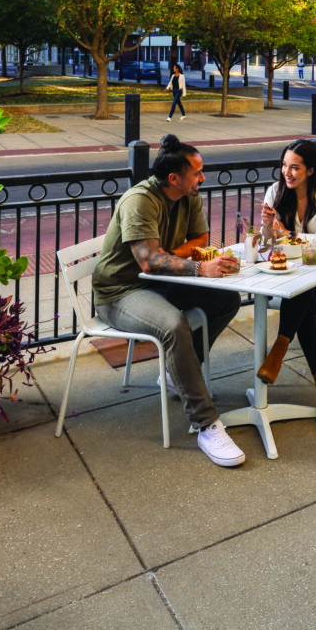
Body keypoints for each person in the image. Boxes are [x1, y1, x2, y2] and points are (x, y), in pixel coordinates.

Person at [92, 135, 246, 467]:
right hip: (121, 291)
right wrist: (198, 267)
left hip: (163, 282)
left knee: (227, 300)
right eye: (197, 173)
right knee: (174, 325)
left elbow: (200, 239)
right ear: (174, 178)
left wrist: (171, 257)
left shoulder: (189, 195)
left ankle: (178, 375)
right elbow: (148, 261)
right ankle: (206, 424)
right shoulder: (140, 201)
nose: (202, 177)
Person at [255, 140, 316, 430]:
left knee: (301, 291)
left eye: (294, 167)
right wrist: (267, 228)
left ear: (310, 170)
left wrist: (288, 234)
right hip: (292, 273)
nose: (287, 173)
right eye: (284, 166)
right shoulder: (275, 192)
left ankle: (279, 349)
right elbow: (267, 245)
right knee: (303, 298)